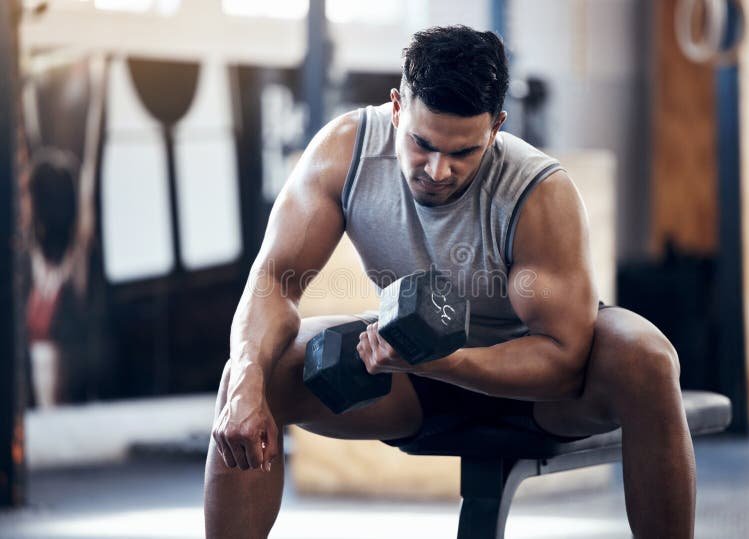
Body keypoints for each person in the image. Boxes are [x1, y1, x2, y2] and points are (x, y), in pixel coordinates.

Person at [204, 25, 695, 539]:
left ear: (497, 126)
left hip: (540, 392)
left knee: (647, 359)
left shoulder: (537, 192)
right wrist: (246, 384)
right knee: (255, 373)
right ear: (397, 107)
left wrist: (445, 361)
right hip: (412, 382)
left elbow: (563, 361)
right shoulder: (344, 153)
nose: (437, 170)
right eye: (422, 144)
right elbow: (275, 282)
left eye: (464, 152)